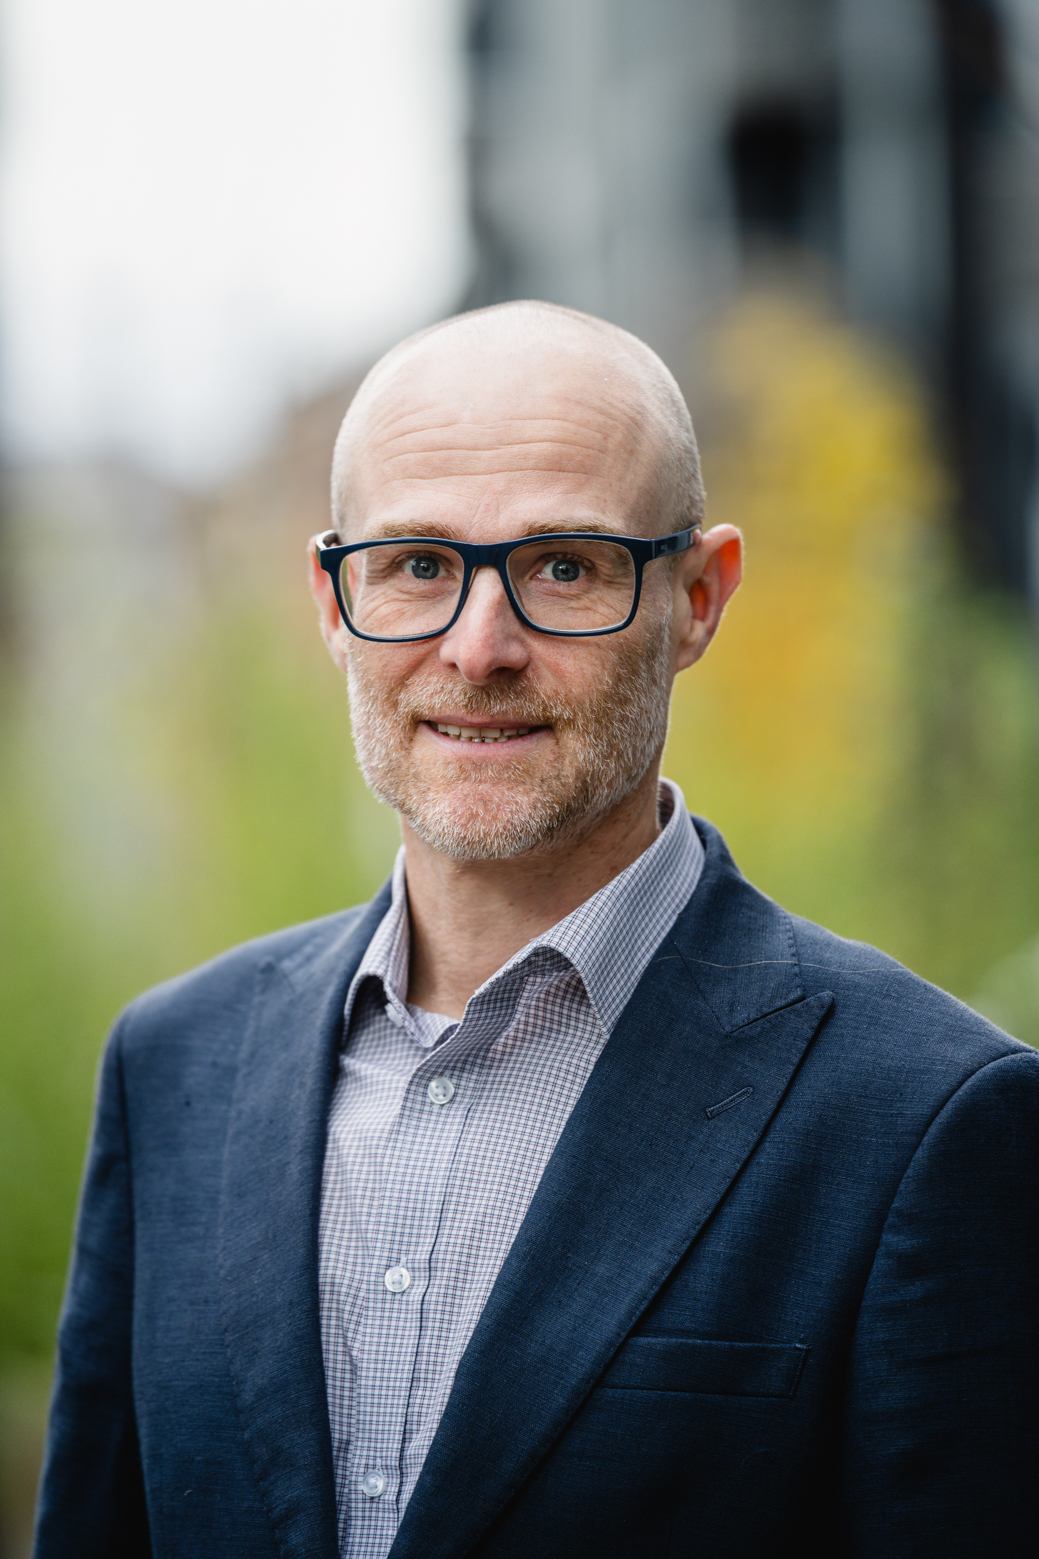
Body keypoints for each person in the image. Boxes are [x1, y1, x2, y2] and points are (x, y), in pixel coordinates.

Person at [34, 301, 1037, 1559]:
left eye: (563, 566)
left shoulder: (928, 1119)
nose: (479, 647)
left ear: (697, 597)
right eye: (417, 565)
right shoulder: (173, 1066)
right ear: (334, 600)